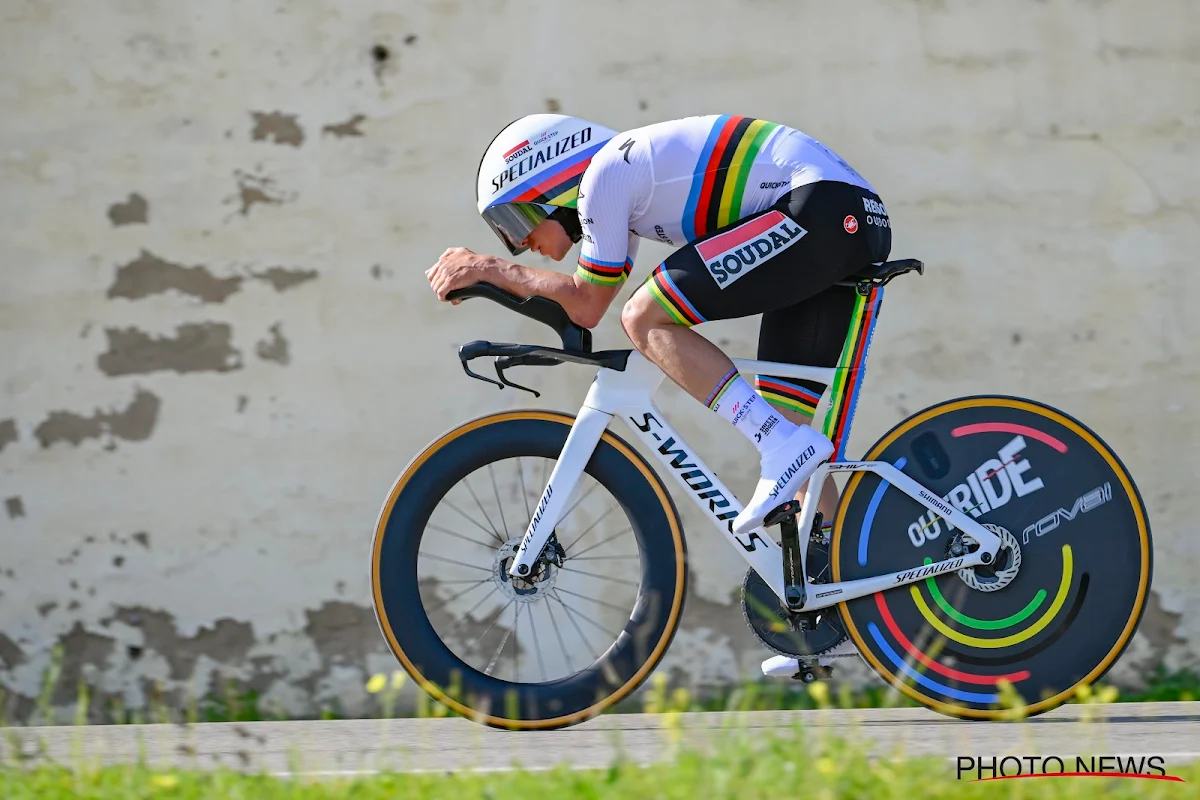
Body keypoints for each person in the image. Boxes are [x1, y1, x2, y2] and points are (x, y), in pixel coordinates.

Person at [426, 113, 891, 533]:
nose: (521, 242)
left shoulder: (606, 173)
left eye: (516, 218)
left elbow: (586, 303)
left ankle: (773, 441)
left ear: (551, 183)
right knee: (792, 424)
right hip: (839, 213)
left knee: (645, 316)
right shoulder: (623, 200)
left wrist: (490, 268)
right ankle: (839, 574)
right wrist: (499, 278)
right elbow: (586, 307)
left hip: (822, 208)